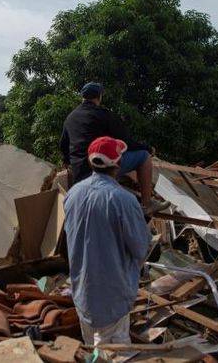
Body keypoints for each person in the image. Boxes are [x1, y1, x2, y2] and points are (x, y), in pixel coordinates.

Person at [64, 136, 152, 346]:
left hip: (82, 291)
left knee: (90, 347)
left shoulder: (73, 193)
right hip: (112, 295)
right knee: (116, 352)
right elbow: (141, 248)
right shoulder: (124, 200)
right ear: (119, 164)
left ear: (89, 161)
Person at [59, 81, 167, 212]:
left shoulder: (70, 118)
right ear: (99, 97)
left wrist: (70, 162)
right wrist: (148, 149)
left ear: (83, 97)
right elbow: (126, 142)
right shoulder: (103, 115)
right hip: (100, 169)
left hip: (79, 172)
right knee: (143, 157)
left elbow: (64, 148)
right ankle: (147, 204)